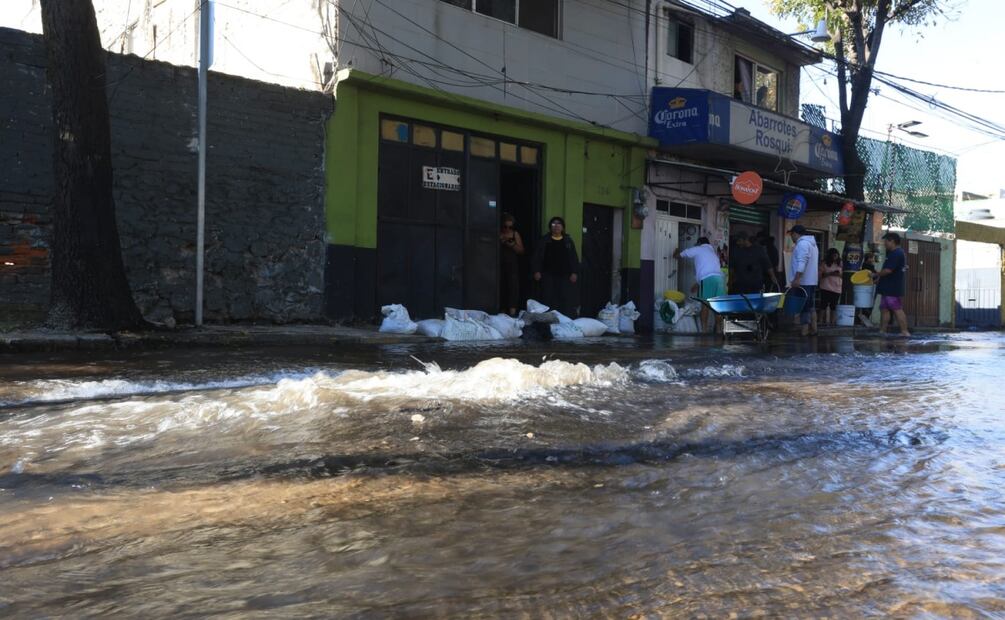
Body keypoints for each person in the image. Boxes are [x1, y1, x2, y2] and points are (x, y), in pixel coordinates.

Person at [532, 216, 579, 318]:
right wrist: (536, 271)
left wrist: (574, 272)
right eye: (554, 224)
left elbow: (573, 257)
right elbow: (537, 256)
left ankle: (564, 319)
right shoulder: (544, 240)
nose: (556, 226)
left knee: (564, 296)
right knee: (547, 296)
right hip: (547, 273)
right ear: (550, 227)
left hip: (565, 274)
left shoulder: (568, 241)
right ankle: (548, 319)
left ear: (562, 227)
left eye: (559, 224)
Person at [674, 237, 724, 332]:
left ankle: (704, 330)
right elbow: (708, 268)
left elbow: (679, 255)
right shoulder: (713, 252)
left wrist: (676, 252)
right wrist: (697, 284)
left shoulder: (698, 249)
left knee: (705, 305)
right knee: (718, 306)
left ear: (699, 243)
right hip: (719, 279)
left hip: (707, 279)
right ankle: (719, 331)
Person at [874, 232, 911, 337]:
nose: (884, 243)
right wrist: (879, 278)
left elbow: (888, 270)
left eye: (886, 241)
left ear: (892, 241)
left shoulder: (897, 253)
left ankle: (905, 332)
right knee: (884, 309)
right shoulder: (892, 253)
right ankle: (883, 330)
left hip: (893, 287)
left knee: (896, 309)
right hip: (886, 286)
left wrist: (875, 274)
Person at [787, 225, 819, 336]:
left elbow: (802, 263)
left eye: (791, 234)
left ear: (796, 233)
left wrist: (796, 279)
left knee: (804, 306)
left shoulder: (802, 244)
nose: (791, 237)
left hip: (803, 282)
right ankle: (814, 328)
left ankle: (804, 331)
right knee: (810, 305)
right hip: (811, 281)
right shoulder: (812, 244)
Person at [499, 213, 525, 317]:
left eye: (510, 227)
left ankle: (512, 312)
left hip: (512, 264)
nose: (507, 229)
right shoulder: (498, 232)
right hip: (498, 264)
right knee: (500, 286)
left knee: (513, 287)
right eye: (505, 226)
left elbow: (522, 251)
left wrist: (512, 244)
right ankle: (501, 310)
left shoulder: (515, 234)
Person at [818, 248, 843, 326]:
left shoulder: (840, 263)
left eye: (837, 255)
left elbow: (844, 275)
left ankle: (833, 322)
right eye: (834, 255)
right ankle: (820, 321)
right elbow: (820, 275)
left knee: (834, 306)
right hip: (826, 286)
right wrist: (830, 273)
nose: (836, 257)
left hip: (837, 288)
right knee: (823, 304)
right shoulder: (824, 263)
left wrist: (839, 274)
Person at [857, 252, 877, 327]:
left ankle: (863, 319)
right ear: (868, 258)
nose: (873, 259)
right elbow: (873, 275)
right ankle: (865, 319)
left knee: (864, 304)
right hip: (869, 286)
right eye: (872, 258)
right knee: (868, 304)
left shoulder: (863, 265)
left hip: (864, 286)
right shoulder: (869, 266)